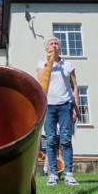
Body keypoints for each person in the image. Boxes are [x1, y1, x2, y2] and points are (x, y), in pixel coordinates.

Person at [37, 37, 81, 186]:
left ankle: (69, 174)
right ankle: (53, 174)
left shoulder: (68, 65)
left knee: (66, 140)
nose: (54, 45)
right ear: (46, 49)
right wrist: (49, 61)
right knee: (50, 140)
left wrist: (76, 107)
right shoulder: (41, 64)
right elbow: (41, 86)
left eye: (56, 43)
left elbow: (75, 87)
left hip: (65, 105)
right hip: (49, 107)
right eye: (51, 43)